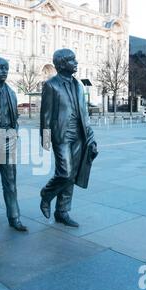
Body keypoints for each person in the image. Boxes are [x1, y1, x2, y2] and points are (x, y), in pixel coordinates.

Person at [40, 49, 98, 227]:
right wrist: (46, 139)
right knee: (64, 173)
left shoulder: (78, 85)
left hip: (79, 135)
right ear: (62, 64)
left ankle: (62, 211)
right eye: (72, 60)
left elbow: (84, 113)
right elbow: (46, 115)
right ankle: (46, 195)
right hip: (61, 135)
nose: (76, 62)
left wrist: (91, 136)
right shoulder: (51, 85)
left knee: (72, 175)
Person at [0, 57, 27, 232]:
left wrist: (14, 132)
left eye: (5, 68)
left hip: (7, 139)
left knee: (10, 182)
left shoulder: (11, 92)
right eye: (0, 68)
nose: (3, 71)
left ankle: (14, 217)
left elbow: (14, 117)